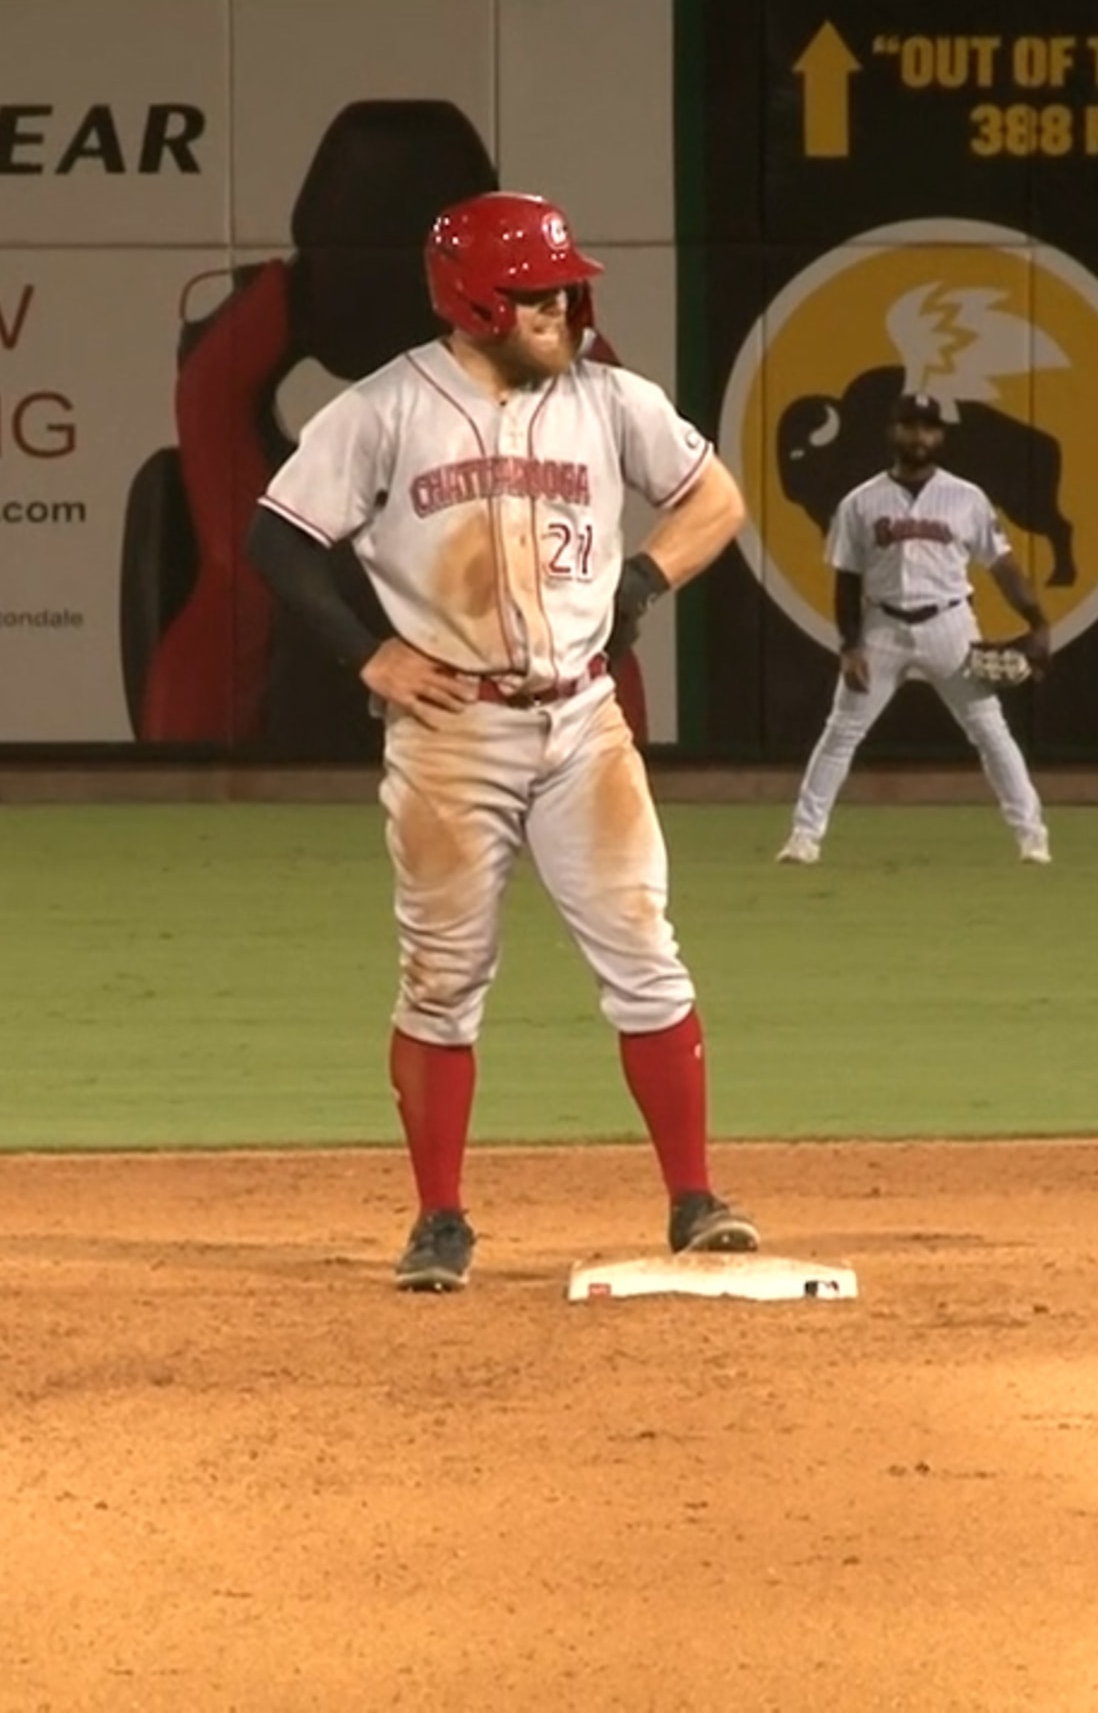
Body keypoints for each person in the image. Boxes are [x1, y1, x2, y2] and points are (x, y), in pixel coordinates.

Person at [242, 190, 761, 1293]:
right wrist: (368, 657)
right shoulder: (386, 409)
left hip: (582, 722)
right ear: (476, 297)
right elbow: (277, 539)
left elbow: (718, 500)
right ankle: (440, 1220)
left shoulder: (610, 400)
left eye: (568, 290)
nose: (565, 309)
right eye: (541, 293)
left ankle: (694, 1197)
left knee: (644, 954)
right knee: (441, 981)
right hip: (451, 733)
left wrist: (644, 576)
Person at [777, 393, 1056, 866]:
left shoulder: (967, 498)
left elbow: (1003, 567)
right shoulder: (860, 502)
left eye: (928, 427)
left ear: (941, 435)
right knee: (842, 731)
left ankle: (1032, 835)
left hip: (950, 625)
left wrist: (1037, 620)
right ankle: (805, 836)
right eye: (910, 426)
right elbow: (846, 581)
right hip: (882, 625)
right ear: (893, 432)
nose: (919, 436)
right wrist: (850, 646)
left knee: (989, 731)